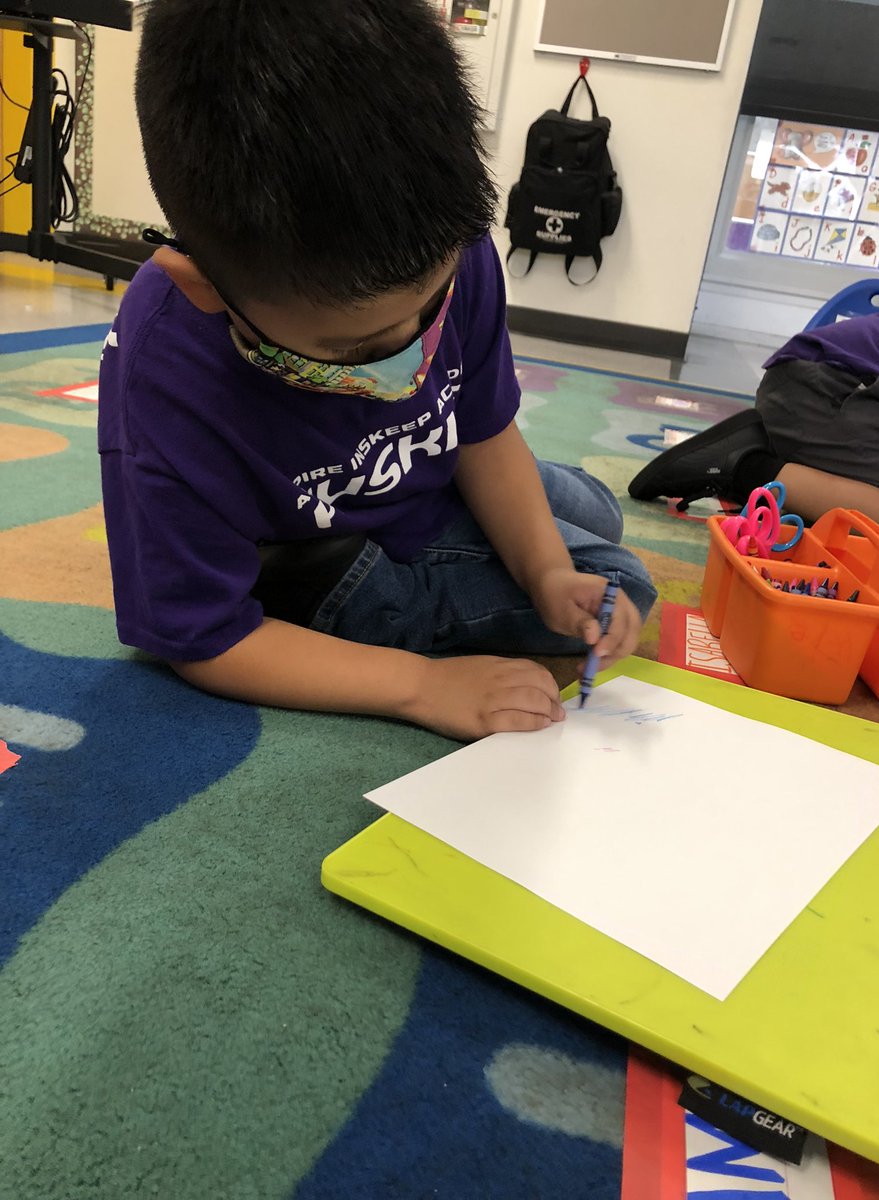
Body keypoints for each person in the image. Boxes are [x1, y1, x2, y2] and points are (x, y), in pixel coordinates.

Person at [97, 0, 656, 744]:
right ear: (202, 285)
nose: (406, 354)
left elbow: (484, 431)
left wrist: (548, 571)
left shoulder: (451, 243)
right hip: (333, 550)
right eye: (350, 349)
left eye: (427, 313)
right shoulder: (165, 378)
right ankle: (322, 593)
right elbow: (198, 636)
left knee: (592, 510)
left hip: (424, 473)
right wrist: (419, 686)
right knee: (628, 582)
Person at [628, 311, 879, 539]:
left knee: (856, 522)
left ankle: (777, 475)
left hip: (811, 388)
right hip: (820, 391)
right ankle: (745, 467)